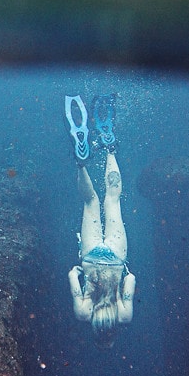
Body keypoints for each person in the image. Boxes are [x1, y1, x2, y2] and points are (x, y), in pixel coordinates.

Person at [64, 94, 136, 347]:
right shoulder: (83, 313)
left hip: (116, 258)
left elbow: (131, 280)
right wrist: (80, 273)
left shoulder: (124, 316)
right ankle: (81, 163)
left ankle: (109, 147)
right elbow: (72, 276)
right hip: (92, 256)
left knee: (113, 200)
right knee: (91, 201)